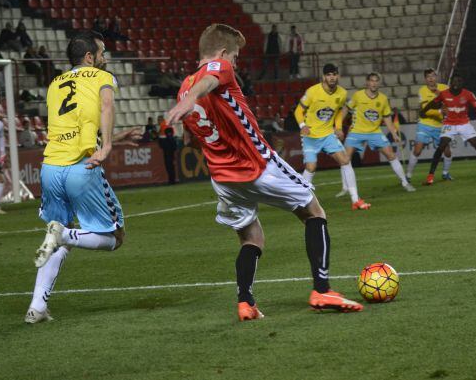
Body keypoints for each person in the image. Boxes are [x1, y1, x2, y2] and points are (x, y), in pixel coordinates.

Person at [166, 24, 363, 321]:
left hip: (223, 178)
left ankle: (246, 302)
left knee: (251, 238)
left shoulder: (183, 85)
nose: (235, 64)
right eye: (235, 56)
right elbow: (208, 80)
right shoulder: (214, 72)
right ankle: (322, 289)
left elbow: (195, 133)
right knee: (313, 211)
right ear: (221, 53)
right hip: (257, 164)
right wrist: (191, 99)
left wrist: (187, 100)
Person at [25, 30, 142, 324]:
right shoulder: (102, 77)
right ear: (89, 57)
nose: (104, 59)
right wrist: (109, 147)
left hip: (51, 168)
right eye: (101, 54)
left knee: (57, 237)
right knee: (115, 237)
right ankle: (64, 234)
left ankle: (37, 307)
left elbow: (74, 126)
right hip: (82, 167)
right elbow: (105, 106)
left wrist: (114, 137)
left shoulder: (54, 84)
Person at [295, 63, 370, 210]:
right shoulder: (312, 92)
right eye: (329, 75)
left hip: (328, 135)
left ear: (338, 76)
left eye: (334, 74)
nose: (332, 77)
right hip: (310, 136)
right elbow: (298, 111)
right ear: (323, 77)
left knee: (345, 160)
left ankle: (355, 200)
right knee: (311, 167)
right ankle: (300, 199)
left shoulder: (341, 93)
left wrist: (339, 128)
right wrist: (302, 126)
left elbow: (337, 112)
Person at [340, 73, 415, 194]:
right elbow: (346, 109)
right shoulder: (358, 95)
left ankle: (405, 183)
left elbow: (387, 118)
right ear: (367, 82)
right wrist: (338, 126)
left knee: (391, 155)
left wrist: (394, 133)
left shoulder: (383, 99)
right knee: (345, 158)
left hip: (375, 132)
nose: (374, 83)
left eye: (376, 81)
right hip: (357, 131)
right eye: (372, 81)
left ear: (378, 83)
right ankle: (345, 188)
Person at [419, 75, 476, 185]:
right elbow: (433, 103)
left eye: (460, 81)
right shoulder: (444, 94)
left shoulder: (468, 94)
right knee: (441, 146)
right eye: (455, 80)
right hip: (449, 124)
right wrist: (424, 111)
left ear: (462, 83)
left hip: (464, 124)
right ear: (451, 82)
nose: (457, 82)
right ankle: (430, 176)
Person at [406, 68, 453, 181]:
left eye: (433, 76)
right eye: (428, 77)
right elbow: (425, 110)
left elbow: (450, 102)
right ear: (425, 79)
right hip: (425, 124)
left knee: (447, 152)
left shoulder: (444, 88)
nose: (431, 78)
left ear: (436, 77)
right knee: (417, 150)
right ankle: (407, 176)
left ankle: (445, 173)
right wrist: (441, 111)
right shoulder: (422, 90)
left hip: (440, 126)